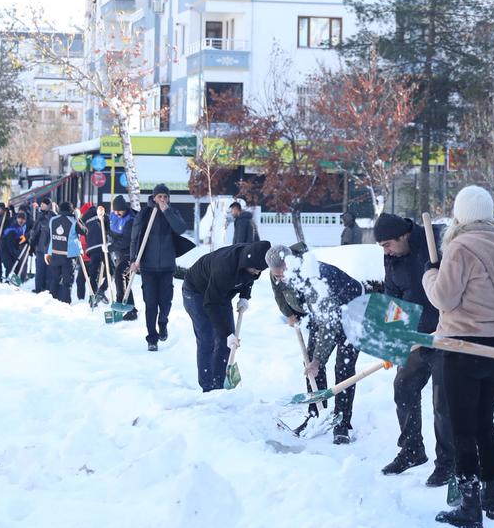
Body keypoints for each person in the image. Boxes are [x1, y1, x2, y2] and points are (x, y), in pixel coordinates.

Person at [424, 185, 494, 528]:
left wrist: (431, 274)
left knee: (463, 428)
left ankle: (470, 507)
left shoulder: (459, 247)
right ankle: (493, 498)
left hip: (464, 346)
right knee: (484, 421)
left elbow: (443, 298)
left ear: (459, 215)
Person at [373, 211, 454, 485]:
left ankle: (446, 463)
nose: (386, 250)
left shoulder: (437, 238)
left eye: (388, 244)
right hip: (417, 337)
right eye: (382, 246)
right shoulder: (392, 256)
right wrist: (390, 340)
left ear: (404, 235)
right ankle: (411, 450)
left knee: (443, 403)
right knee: (403, 387)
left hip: (446, 334)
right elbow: (392, 297)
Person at [267, 244, 363, 444]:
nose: (279, 279)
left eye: (281, 274)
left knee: (343, 368)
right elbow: (279, 292)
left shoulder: (315, 279)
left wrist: (318, 360)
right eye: (276, 275)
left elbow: (329, 325)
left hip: (352, 311)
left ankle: (342, 422)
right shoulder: (278, 273)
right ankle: (316, 414)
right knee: (310, 366)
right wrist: (289, 313)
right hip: (322, 313)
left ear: (291, 266)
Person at [179, 239, 269, 382]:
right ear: (247, 263)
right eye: (256, 269)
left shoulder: (253, 256)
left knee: (227, 341)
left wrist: (245, 296)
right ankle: (208, 385)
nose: (257, 272)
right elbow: (210, 304)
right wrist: (226, 333)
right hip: (196, 292)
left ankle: (220, 380)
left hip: (221, 294)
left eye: (260, 270)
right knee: (207, 338)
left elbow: (249, 277)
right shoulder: (225, 268)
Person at [130, 185, 194, 347]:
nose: (163, 200)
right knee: (150, 303)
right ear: (153, 197)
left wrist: (166, 211)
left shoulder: (172, 213)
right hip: (148, 267)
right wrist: (133, 260)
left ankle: (163, 322)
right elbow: (135, 237)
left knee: (166, 302)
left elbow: (180, 229)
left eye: (165, 197)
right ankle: (152, 338)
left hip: (167, 266)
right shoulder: (144, 214)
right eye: (160, 197)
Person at [44, 201, 79, 303]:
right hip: (68, 256)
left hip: (55, 254)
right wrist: (77, 218)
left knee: (55, 280)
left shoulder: (53, 220)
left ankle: (53, 301)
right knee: (67, 282)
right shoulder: (73, 221)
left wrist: (49, 253)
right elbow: (84, 231)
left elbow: (51, 237)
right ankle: (65, 302)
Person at [108, 195, 134, 304]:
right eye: (116, 211)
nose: (117, 213)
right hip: (119, 253)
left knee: (119, 274)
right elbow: (107, 225)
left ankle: (119, 301)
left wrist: (110, 247)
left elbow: (125, 241)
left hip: (129, 252)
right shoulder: (113, 215)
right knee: (126, 279)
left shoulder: (130, 220)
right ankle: (131, 307)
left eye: (120, 211)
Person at [82, 202, 110, 302]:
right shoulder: (100, 212)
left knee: (93, 275)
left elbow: (82, 232)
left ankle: (92, 298)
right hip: (103, 247)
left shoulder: (84, 218)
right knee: (111, 271)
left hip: (91, 249)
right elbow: (108, 225)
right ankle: (102, 290)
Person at [29, 202, 54, 294]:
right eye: (42, 204)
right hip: (42, 247)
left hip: (45, 248)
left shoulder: (48, 217)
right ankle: (41, 288)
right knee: (41, 269)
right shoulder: (42, 216)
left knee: (44, 269)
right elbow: (35, 231)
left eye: (44, 205)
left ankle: (43, 289)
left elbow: (38, 232)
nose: (42, 206)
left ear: (48, 206)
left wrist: (32, 242)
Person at [0, 210, 28, 282]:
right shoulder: (12, 229)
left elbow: (18, 241)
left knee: (14, 266)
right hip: (5, 249)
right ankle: (8, 282)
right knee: (10, 266)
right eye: (20, 219)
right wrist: (15, 254)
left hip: (11, 249)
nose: (21, 220)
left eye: (23, 219)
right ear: (17, 219)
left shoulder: (20, 228)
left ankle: (12, 282)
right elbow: (10, 245)